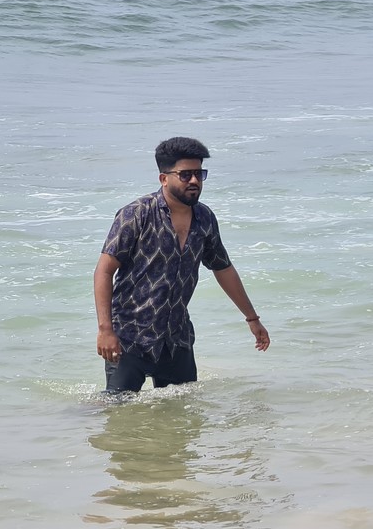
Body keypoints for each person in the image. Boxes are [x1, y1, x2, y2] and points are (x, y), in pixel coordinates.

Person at [94, 137, 270, 393]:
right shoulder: (137, 214)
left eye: (199, 174)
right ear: (164, 178)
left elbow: (223, 268)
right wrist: (105, 330)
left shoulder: (205, 219)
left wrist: (252, 319)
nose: (195, 181)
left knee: (182, 418)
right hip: (129, 339)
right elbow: (104, 270)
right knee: (118, 417)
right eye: (185, 175)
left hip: (177, 340)